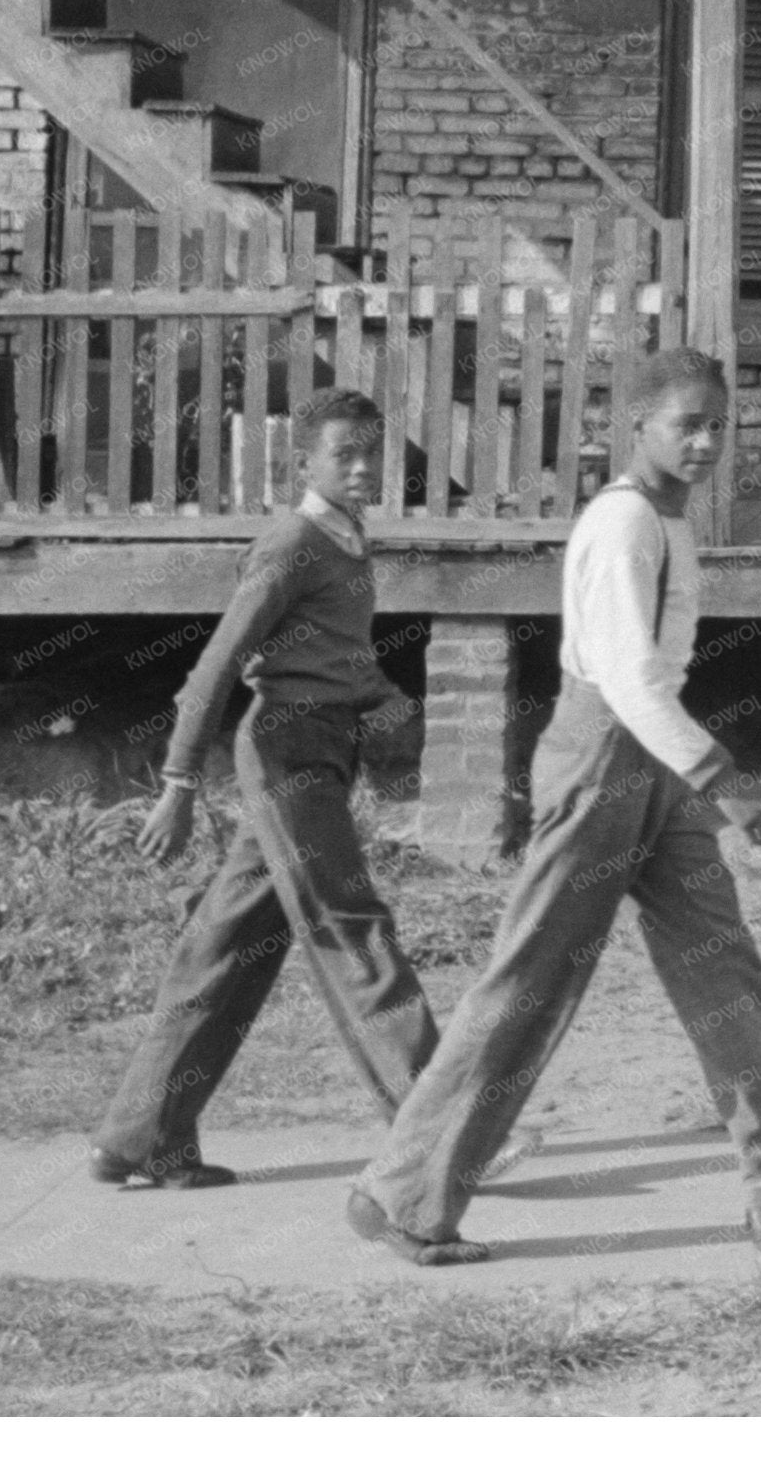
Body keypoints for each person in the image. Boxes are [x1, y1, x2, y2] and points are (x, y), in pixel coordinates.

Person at [347, 347, 761, 1266]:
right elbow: (629, 677)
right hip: (602, 761)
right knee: (530, 984)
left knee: (722, 966)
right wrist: (725, 779)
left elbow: (657, 684)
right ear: (634, 426)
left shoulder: (672, 523)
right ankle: (402, 1195)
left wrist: (694, 776)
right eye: (688, 424)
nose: (708, 441)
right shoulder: (622, 524)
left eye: (719, 424)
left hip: (655, 762)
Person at [87, 386, 444, 1189]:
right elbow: (216, 664)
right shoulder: (289, 543)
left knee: (227, 947)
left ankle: (141, 1137)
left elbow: (328, 649)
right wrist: (178, 782)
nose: (359, 468)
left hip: (324, 742)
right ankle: (441, 1125)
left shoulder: (348, 536)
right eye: (342, 454)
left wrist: (380, 690)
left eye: (369, 453)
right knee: (351, 924)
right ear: (304, 462)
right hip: (287, 751)